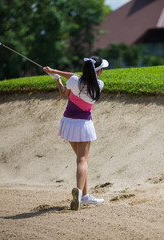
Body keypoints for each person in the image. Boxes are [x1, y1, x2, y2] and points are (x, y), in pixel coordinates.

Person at [43, 56, 109, 210]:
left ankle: (85, 196)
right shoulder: (99, 85)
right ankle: (79, 193)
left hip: (68, 123)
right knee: (82, 161)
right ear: (97, 71)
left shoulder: (73, 81)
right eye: (102, 69)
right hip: (83, 124)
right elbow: (78, 77)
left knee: (80, 161)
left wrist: (56, 78)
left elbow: (64, 94)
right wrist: (57, 73)